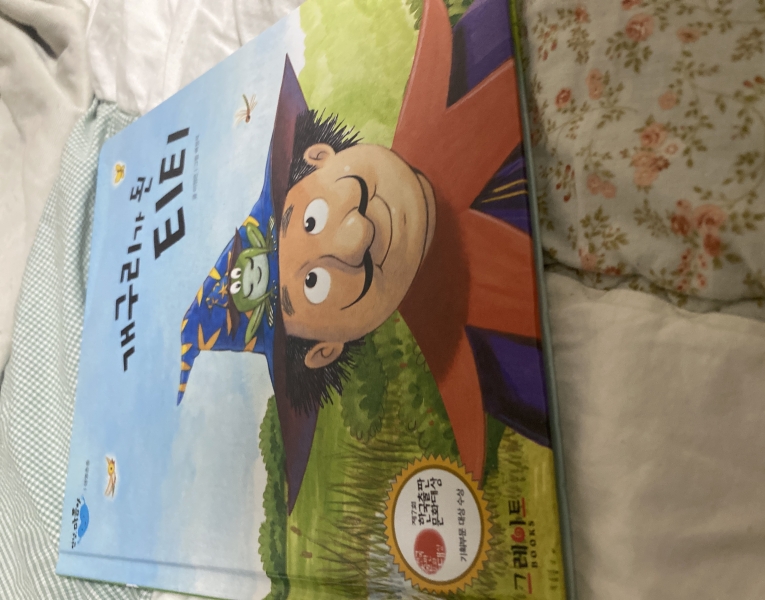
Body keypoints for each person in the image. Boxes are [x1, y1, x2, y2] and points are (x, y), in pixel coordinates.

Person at [179, 0, 550, 514]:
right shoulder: (492, 373)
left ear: (318, 157)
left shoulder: (465, 56)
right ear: (326, 349)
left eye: (311, 221)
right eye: (315, 285)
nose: (356, 236)